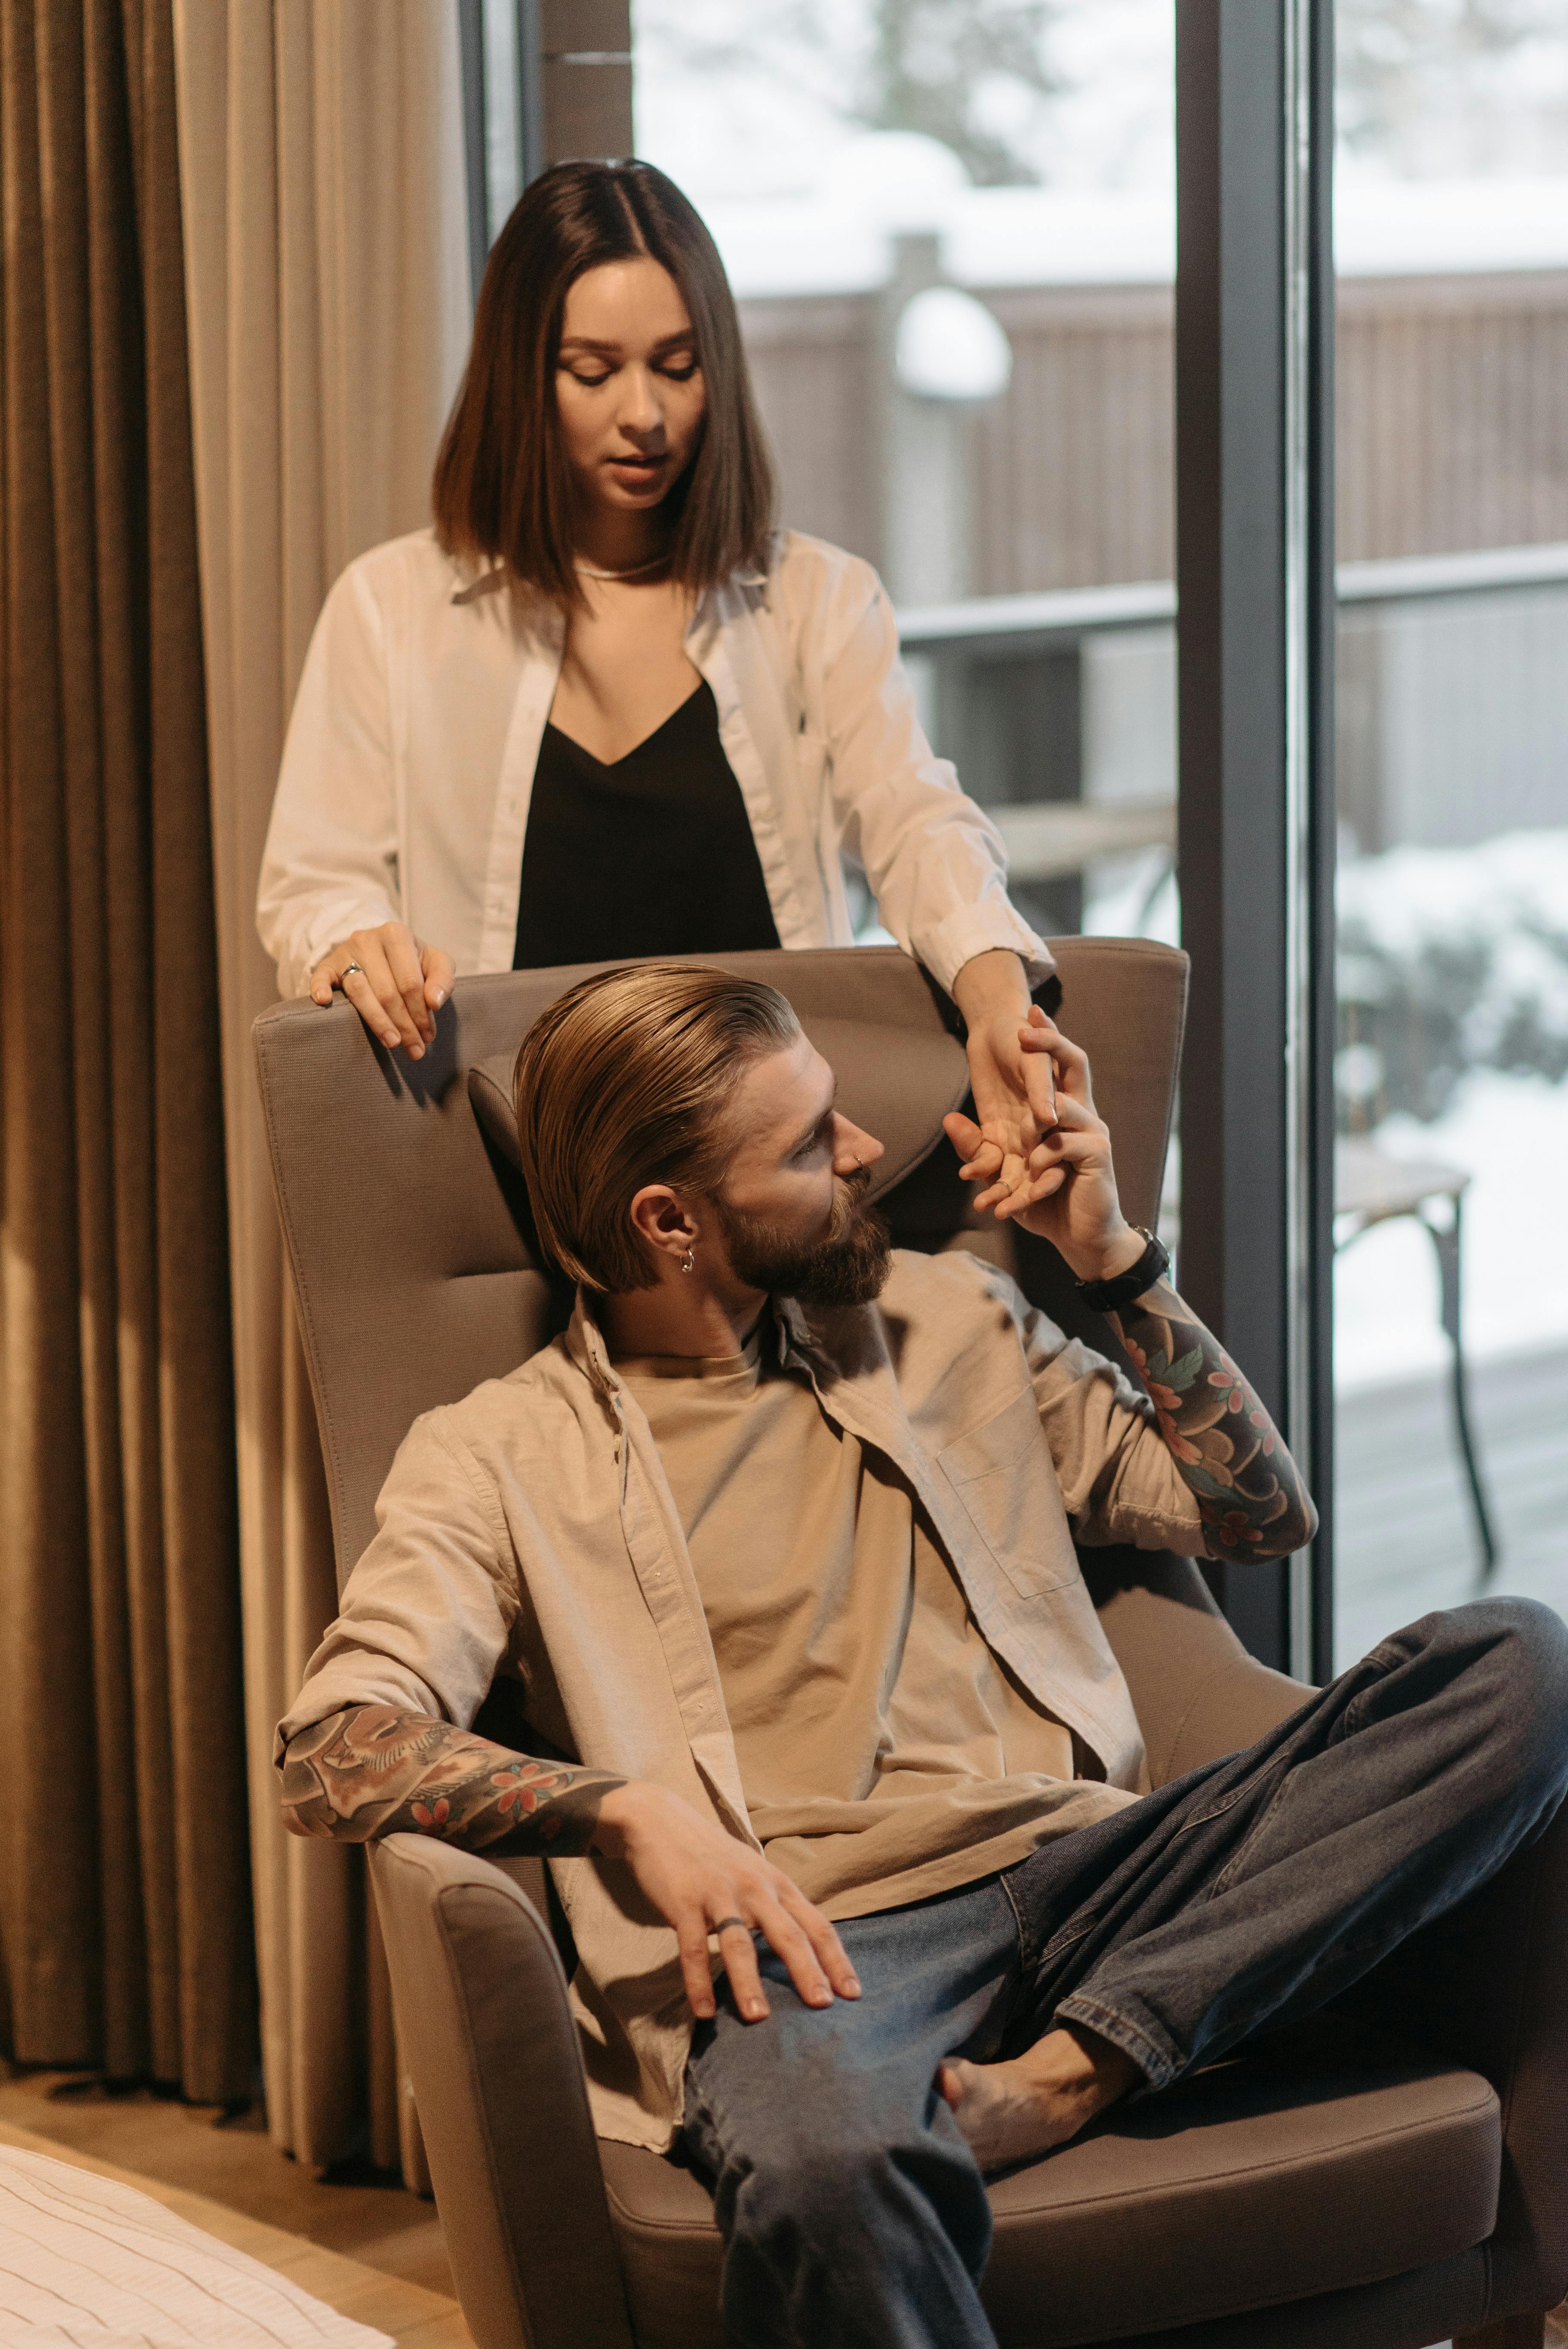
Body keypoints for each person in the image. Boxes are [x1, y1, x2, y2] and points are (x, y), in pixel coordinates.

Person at [275, 964, 1568, 2349]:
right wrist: (624, 1810)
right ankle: (1127, 2047)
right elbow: (330, 1741)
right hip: (824, 1951)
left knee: (1517, 1662)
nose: (864, 1154)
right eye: (805, 1145)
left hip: (1111, 1866)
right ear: (670, 1221)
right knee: (823, 2173)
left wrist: (1112, 1255)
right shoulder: (492, 1455)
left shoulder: (944, 1316)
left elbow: (1254, 1513)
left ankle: (1076, 2070)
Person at [257, 158, 1058, 1217]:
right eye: (594, 372)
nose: (646, 414)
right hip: (521, 1171)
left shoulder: (817, 599)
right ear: (520, 376)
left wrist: (997, 991)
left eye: (677, 366)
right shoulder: (391, 607)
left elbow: (917, 820)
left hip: (772, 1176)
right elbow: (316, 885)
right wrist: (355, 944)